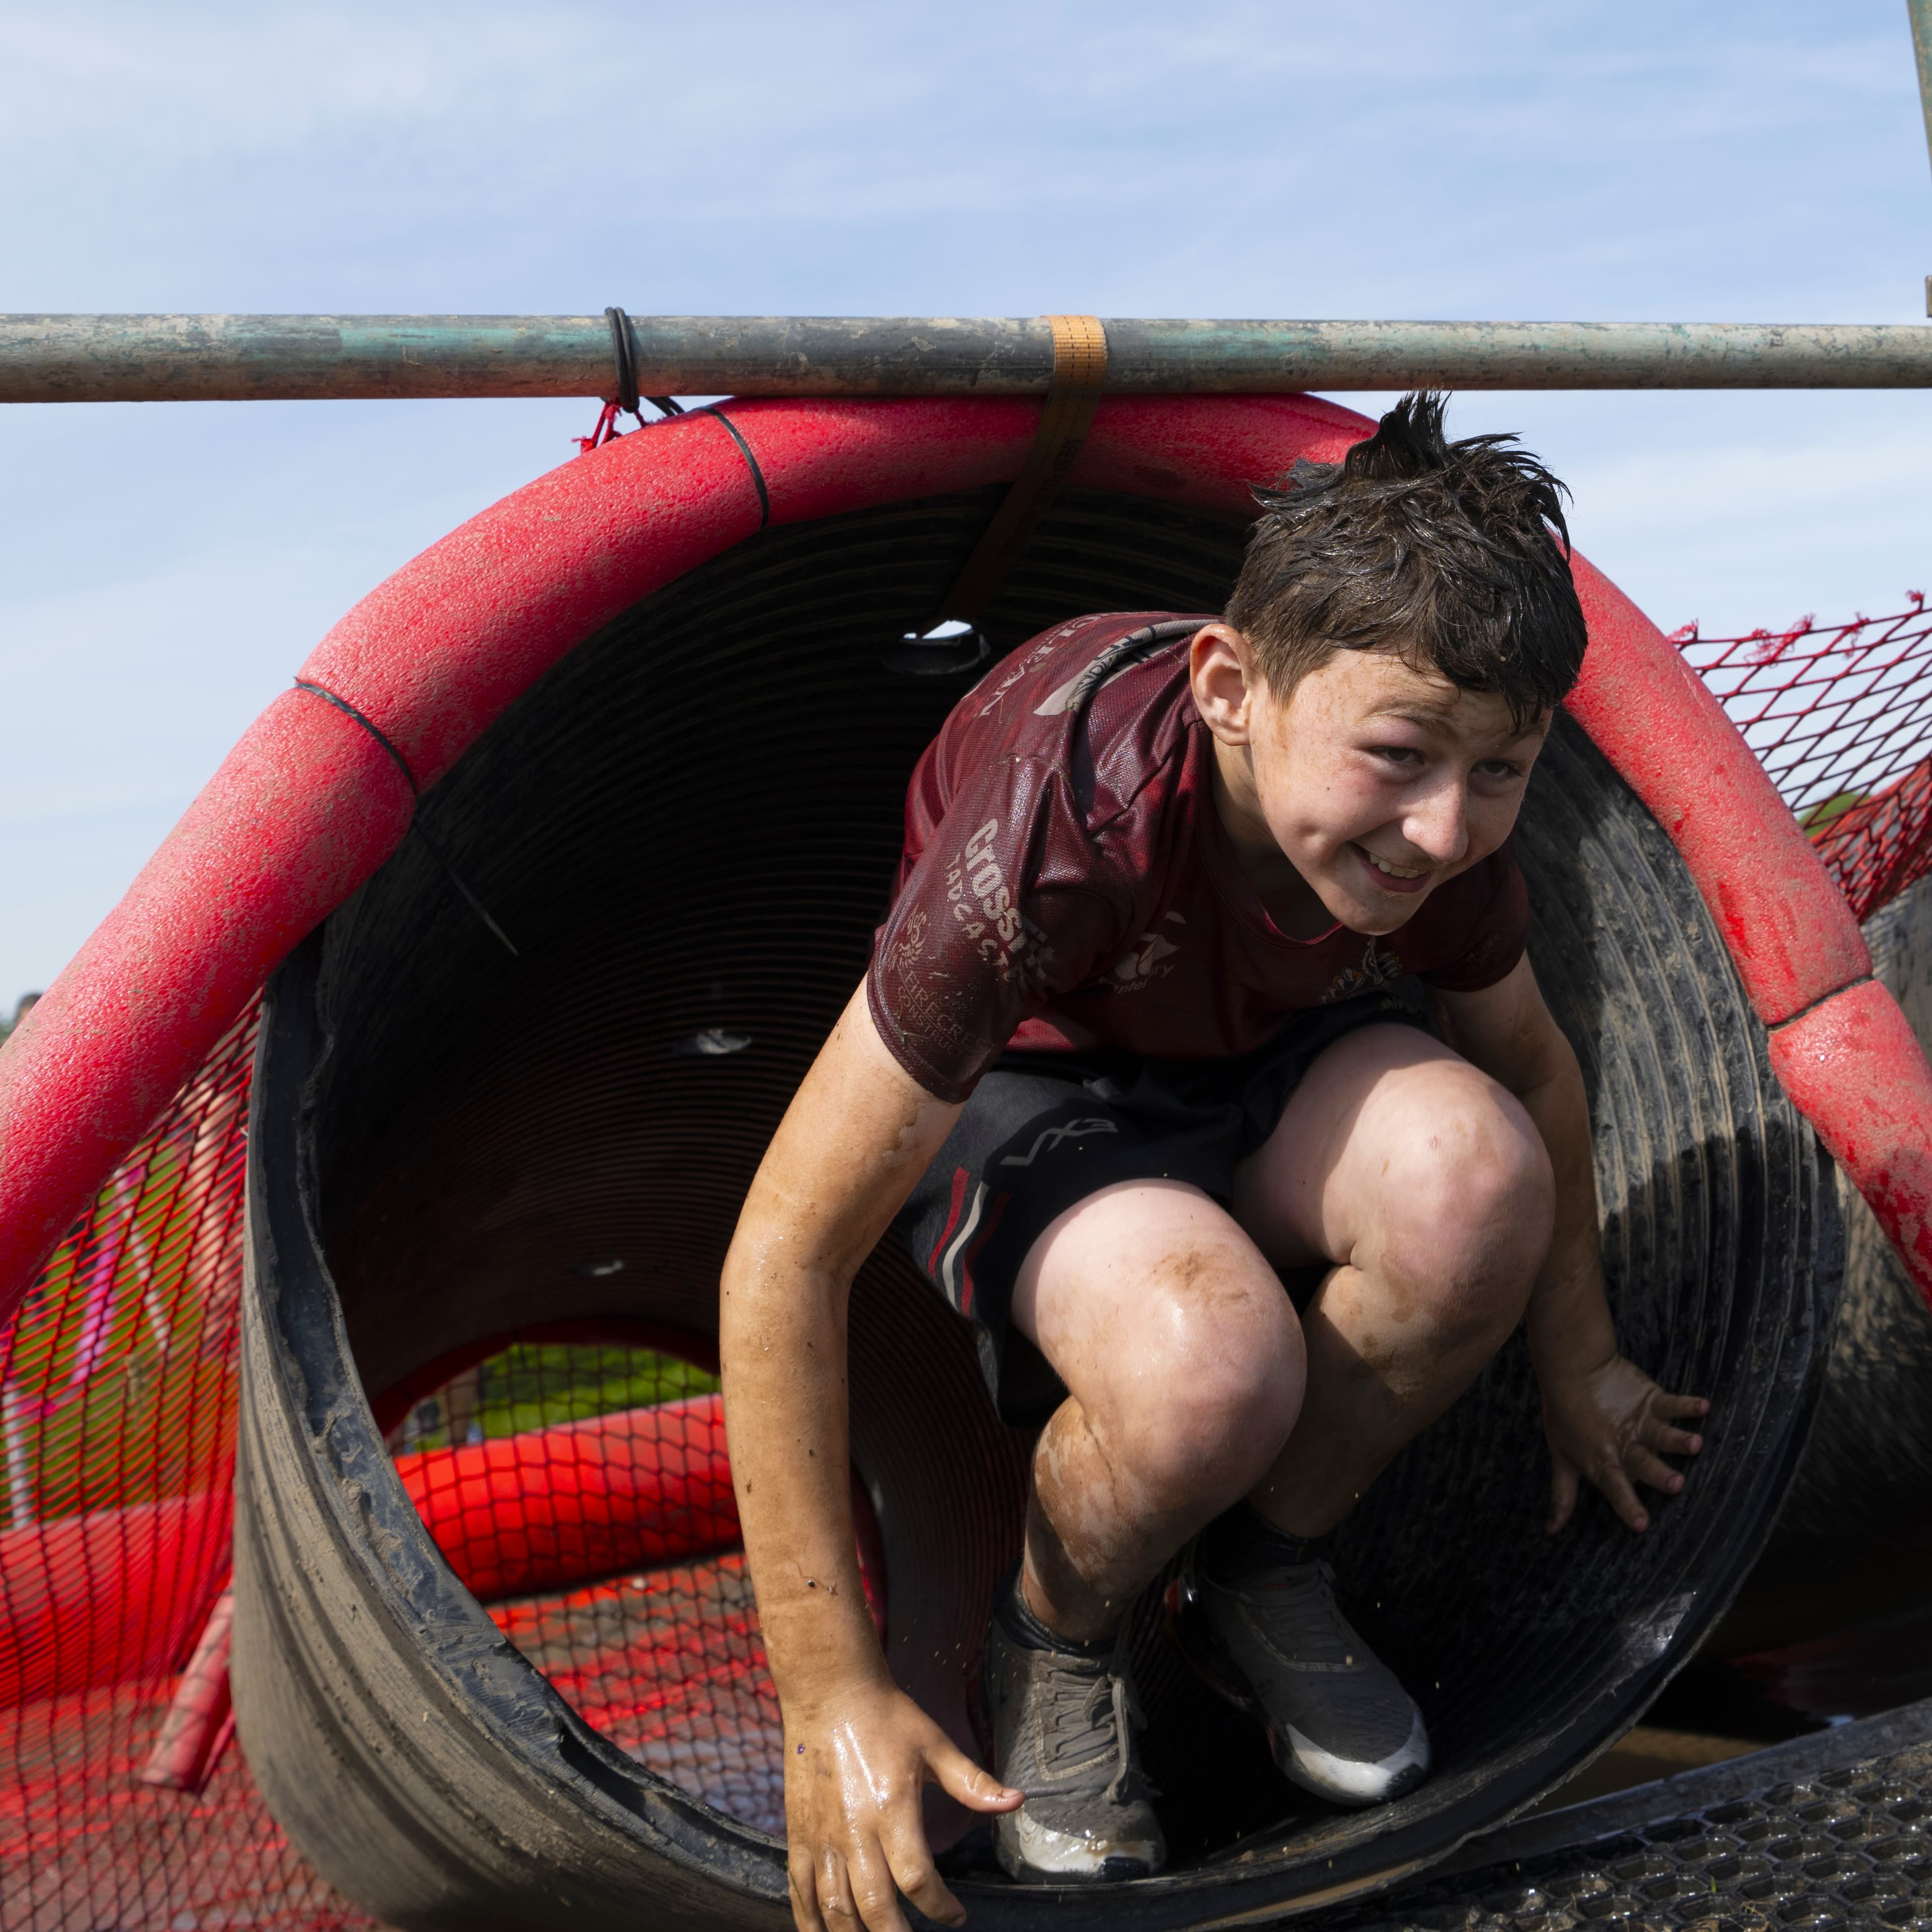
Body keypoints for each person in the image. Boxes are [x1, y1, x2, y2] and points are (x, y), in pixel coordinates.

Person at [719, 394, 1710, 1931]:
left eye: (1505, 770)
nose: (1447, 829)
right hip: (1042, 1091)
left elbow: (1528, 1059)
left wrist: (1581, 1362)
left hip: (1258, 1059)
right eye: (1400, 757)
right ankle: (1060, 1634)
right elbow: (784, 1249)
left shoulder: (1422, 824)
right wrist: (828, 1691)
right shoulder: (1061, 829)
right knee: (1211, 1366)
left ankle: (1264, 1566)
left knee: (1477, 1180)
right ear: (1232, 686)